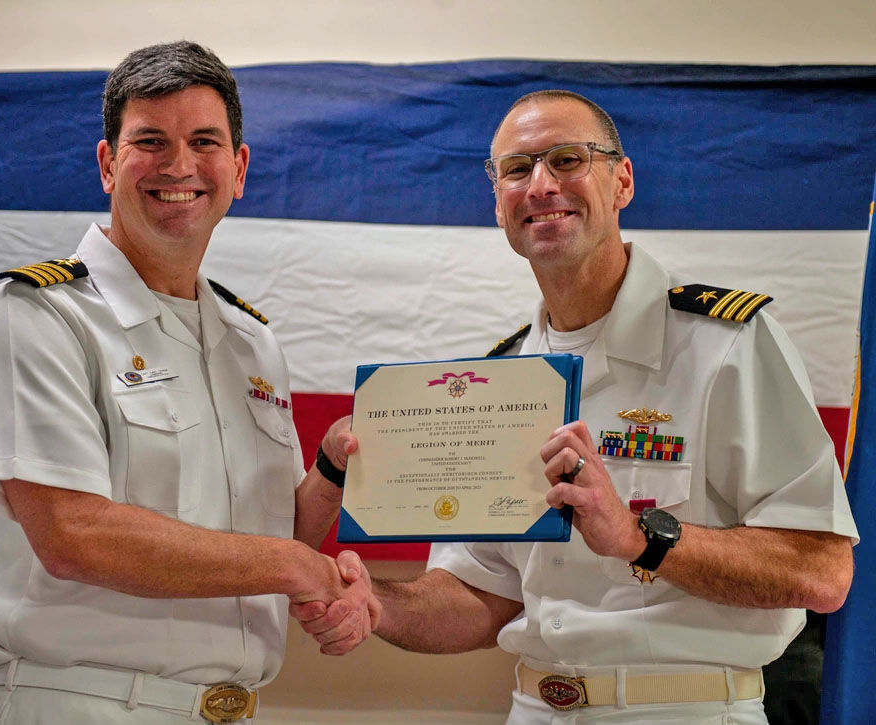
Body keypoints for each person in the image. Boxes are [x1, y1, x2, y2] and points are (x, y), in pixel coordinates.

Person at [293, 90, 858, 724]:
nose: (540, 185)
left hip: (685, 709)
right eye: (516, 168)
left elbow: (822, 571)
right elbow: (483, 594)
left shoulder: (727, 344)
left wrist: (639, 539)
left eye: (567, 159)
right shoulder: (500, 379)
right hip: (534, 707)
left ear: (622, 181)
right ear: (498, 202)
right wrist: (377, 603)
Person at [0, 41, 377, 724]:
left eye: (204, 141)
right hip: (82, 702)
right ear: (107, 164)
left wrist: (331, 467)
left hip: (235, 709)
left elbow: (264, 533)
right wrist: (296, 567)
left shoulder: (253, 343)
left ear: (238, 169)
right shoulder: (38, 315)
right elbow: (73, 533)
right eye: (150, 141)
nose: (179, 165)